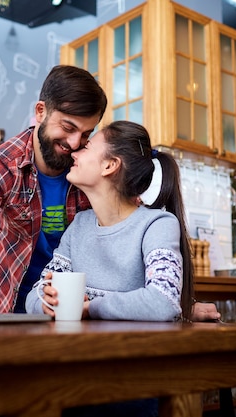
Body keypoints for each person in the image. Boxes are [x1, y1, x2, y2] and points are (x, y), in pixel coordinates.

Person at [0, 64, 220, 322]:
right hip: (13, 303)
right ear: (41, 112)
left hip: (86, 315)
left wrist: (174, 306)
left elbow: (140, 262)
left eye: (87, 134)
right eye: (67, 128)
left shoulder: (105, 187)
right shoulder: (3, 166)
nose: (75, 144)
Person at [26, 120, 193, 321]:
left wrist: (89, 308)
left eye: (86, 148)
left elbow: (163, 301)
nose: (74, 153)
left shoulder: (157, 225)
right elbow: (35, 294)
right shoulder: (79, 225)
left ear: (110, 165)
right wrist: (47, 303)